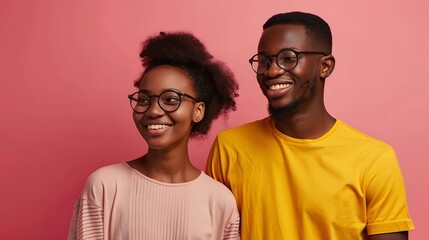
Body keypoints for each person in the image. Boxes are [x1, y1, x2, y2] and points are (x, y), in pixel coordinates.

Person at [206, 11, 414, 240]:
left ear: (325, 66)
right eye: (264, 61)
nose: (272, 71)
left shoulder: (374, 160)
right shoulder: (229, 148)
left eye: (289, 58)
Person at [68, 32, 240, 240]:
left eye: (170, 99)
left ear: (198, 110)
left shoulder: (220, 202)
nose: (153, 111)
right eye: (144, 100)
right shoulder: (104, 186)